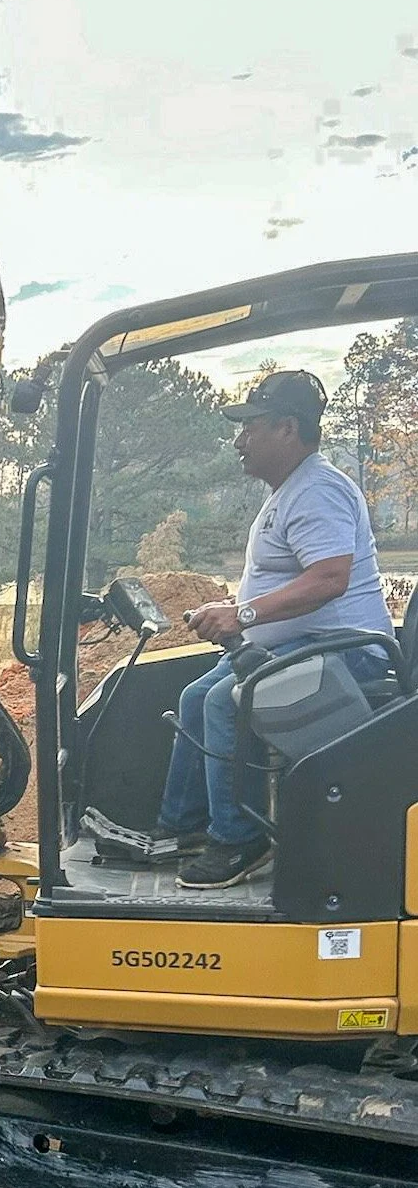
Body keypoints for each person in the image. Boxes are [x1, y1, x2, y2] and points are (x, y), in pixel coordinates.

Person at [152, 369, 392, 890]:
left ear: (287, 428)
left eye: (250, 426)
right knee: (197, 697)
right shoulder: (293, 490)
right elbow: (290, 577)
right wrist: (237, 606)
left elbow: (330, 579)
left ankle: (240, 839)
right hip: (310, 645)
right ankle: (183, 829)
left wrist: (243, 616)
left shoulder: (317, 491)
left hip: (348, 653)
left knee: (226, 701)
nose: (240, 440)